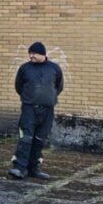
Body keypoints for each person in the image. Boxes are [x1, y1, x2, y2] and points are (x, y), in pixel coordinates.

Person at [9, 41, 64, 180]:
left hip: (47, 110)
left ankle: (34, 168)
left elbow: (58, 86)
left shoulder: (54, 68)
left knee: (40, 139)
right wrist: (30, 98)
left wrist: (48, 98)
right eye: (30, 53)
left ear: (42, 54)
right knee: (25, 138)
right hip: (29, 108)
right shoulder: (24, 68)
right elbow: (19, 87)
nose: (31, 56)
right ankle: (19, 168)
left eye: (34, 53)